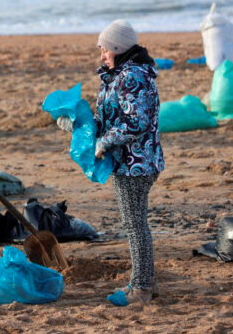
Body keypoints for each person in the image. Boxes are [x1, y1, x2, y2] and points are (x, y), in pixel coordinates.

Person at [58, 19, 165, 304]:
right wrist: (76, 124)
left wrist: (104, 143)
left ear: (118, 48)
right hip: (128, 162)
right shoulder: (116, 75)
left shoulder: (133, 77)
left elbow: (137, 123)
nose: (101, 55)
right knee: (135, 223)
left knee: (135, 225)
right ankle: (147, 284)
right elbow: (108, 120)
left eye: (104, 49)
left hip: (137, 163)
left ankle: (140, 289)